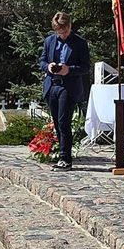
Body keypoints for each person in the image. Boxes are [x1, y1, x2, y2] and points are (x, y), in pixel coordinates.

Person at [40, 12, 91, 171]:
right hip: (52, 85)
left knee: (64, 121)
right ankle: (62, 156)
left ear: (69, 26)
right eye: (58, 32)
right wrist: (48, 67)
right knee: (57, 122)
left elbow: (85, 67)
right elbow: (41, 61)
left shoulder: (79, 43)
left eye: (64, 31)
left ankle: (65, 158)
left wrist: (68, 70)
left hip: (68, 87)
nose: (61, 35)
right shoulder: (49, 41)